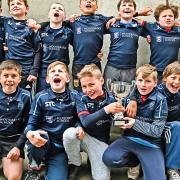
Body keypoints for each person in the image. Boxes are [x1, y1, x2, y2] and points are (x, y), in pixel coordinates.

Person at [103, 64, 168, 180]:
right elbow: (118, 120)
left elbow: (157, 131)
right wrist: (117, 115)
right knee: (109, 158)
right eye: (140, 80)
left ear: (155, 83)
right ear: (135, 81)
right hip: (130, 138)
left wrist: (134, 123)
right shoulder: (128, 96)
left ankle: (149, 161)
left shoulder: (160, 100)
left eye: (148, 81)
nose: (143, 84)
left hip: (151, 143)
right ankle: (136, 162)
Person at [63, 64, 125, 180]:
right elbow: (85, 122)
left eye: (92, 84)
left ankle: (93, 159)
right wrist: (107, 110)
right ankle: (75, 163)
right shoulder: (81, 97)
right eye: (84, 86)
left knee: (102, 178)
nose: (88, 90)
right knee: (69, 134)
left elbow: (119, 120)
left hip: (99, 141)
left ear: (101, 81)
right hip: (82, 136)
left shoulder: (112, 98)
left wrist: (120, 117)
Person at [24, 61, 83, 180]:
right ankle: (34, 166)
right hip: (43, 142)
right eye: (53, 72)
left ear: (67, 78)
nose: (56, 73)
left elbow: (79, 118)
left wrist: (79, 126)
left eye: (60, 71)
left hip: (60, 149)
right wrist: (30, 133)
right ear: (47, 79)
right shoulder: (40, 97)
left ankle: (50, 162)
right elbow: (31, 123)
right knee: (40, 135)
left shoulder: (75, 95)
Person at [0, 60, 31, 180]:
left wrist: (18, 146)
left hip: (13, 141)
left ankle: (6, 161)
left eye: (14, 76)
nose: (9, 79)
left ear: (19, 79)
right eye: (5, 75)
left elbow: (29, 124)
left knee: (13, 177)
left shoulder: (26, 96)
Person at [104, 0, 147, 84]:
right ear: (119, 11)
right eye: (124, 5)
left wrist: (148, 36)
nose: (127, 7)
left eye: (130, 5)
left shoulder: (139, 27)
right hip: (112, 67)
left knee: (128, 95)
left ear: (134, 11)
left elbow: (158, 27)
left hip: (130, 68)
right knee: (109, 94)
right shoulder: (111, 24)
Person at [3, 0, 41, 91]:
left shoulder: (31, 27)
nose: (15, 5)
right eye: (12, 4)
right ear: (9, 11)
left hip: (25, 72)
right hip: (8, 69)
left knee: (24, 100)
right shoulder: (5, 22)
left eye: (19, 3)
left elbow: (38, 51)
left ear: (26, 9)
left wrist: (34, 71)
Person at [37, 2, 73, 92]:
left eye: (60, 9)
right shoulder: (40, 31)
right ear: (49, 15)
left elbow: (79, 46)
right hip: (44, 70)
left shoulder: (69, 32)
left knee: (62, 98)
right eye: (53, 8)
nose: (57, 10)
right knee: (42, 97)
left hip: (62, 70)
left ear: (64, 17)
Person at [142, 4, 180, 82]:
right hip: (155, 71)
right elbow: (131, 19)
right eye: (164, 16)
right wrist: (139, 13)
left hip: (172, 72)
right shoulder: (152, 27)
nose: (168, 18)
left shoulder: (178, 31)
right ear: (158, 20)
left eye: (170, 16)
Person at [157, 61, 180, 180]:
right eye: (173, 78)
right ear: (165, 78)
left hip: (175, 133)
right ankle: (172, 167)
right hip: (158, 131)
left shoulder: (178, 95)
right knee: (176, 126)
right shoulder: (157, 92)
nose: (176, 82)